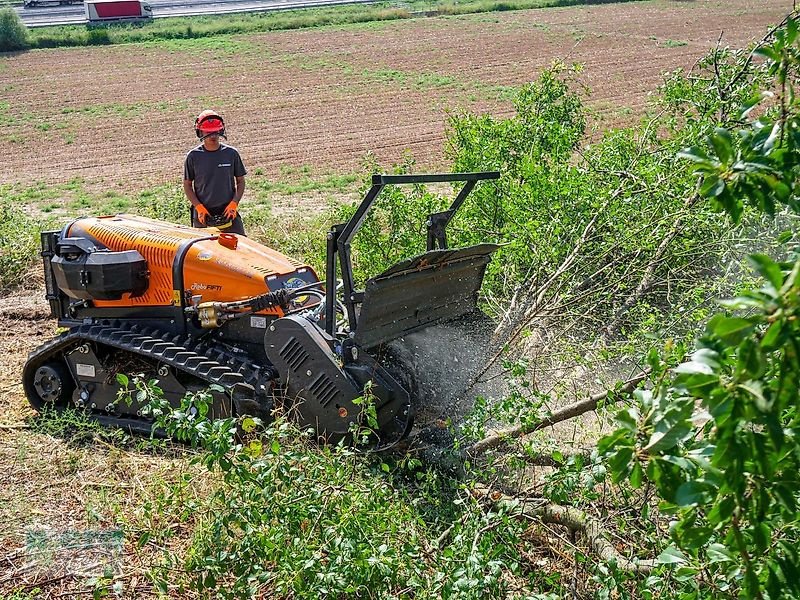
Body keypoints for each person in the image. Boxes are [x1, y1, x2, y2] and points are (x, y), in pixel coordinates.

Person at [183, 109, 248, 236]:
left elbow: (240, 181)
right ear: (200, 132)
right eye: (209, 133)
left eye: (215, 132)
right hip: (203, 214)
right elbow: (187, 185)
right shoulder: (193, 156)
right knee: (203, 246)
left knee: (240, 242)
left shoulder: (231, 154)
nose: (213, 136)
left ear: (221, 130)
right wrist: (198, 207)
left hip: (228, 212)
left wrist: (234, 203)